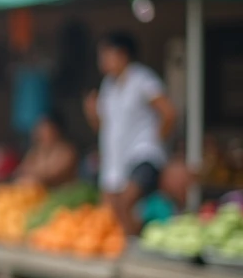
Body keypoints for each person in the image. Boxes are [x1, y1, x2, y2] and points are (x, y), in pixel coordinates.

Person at [84, 31, 176, 235]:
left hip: (142, 156)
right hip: (117, 161)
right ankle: (128, 247)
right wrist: (92, 113)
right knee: (111, 211)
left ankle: (136, 247)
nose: (102, 61)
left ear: (122, 54)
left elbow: (168, 113)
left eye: (106, 54)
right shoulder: (108, 85)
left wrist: (155, 142)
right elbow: (104, 127)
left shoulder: (142, 79)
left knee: (126, 203)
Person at [15, 112, 78, 189]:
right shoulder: (36, 152)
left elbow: (53, 176)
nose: (41, 133)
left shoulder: (67, 151)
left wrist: (33, 177)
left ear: (56, 130)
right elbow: (21, 171)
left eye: (45, 129)